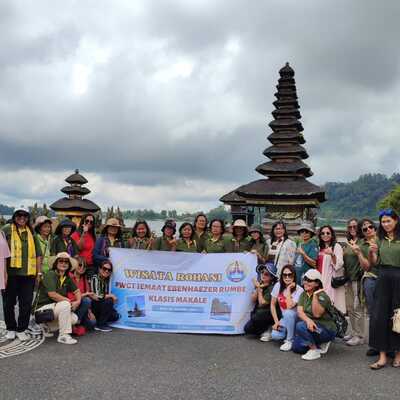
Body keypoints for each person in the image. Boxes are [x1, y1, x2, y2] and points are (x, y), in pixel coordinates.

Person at [2, 208, 42, 341]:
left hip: (28, 275)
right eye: (19, 216)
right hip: (10, 274)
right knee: (9, 302)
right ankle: (11, 328)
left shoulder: (31, 232)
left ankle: (22, 329)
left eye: (25, 216)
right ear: (14, 217)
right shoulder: (7, 229)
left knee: (26, 303)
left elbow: (38, 254)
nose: (22, 218)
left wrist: (39, 272)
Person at [368, 209, 400, 369]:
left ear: (396, 220)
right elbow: (375, 262)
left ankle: (398, 355)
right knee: (380, 315)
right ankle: (382, 356)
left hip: (399, 277)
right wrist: (372, 253)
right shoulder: (379, 239)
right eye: (383, 221)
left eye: (388, 221)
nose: (386, 224)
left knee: (398, 315)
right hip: (383, 277)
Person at [35, 252, 80, 345]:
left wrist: (78, 301)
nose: (63, 263)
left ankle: (46, 326)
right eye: (61, 261)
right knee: (65, 304)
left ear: (69, 265)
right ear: (56, 263)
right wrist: (69, 301)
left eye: (66, 262)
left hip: (53, 309)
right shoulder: (50, 274)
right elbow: (52, 294)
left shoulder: (66, 277)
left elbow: (77, 291)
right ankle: (63, 336)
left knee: (74, 318)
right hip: (41, 309)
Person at [292, 269, 337, 360]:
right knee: (296, 347)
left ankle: (314, 350)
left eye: (309, 280)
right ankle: (317, 343)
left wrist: (315, 295)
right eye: (305, 279)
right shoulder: (304, 294)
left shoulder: (322, 296)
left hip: (326, 329)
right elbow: (299, 311)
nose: (306, 282)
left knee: (300, 325)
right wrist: (308, 320)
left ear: (317, 284)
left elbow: (316, 314)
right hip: (312, 327)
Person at [342, 218, 367, 346]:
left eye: (355, 226)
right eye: (350, 227)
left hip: (357, 278)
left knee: (358, 307)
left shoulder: (363, 242)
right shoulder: (348, 242)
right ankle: (353, 332)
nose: (352, 229)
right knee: (350, 307)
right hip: (348, 279)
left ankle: (360, 335)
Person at [358, 218, 379, 356]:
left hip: (387, 279)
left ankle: (390, 345)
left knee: (389, 312)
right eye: (364, 229)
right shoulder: (362, 245)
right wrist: (359, 253)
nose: (368, 230)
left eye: (370, 226)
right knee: (373, 313)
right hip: (371, 278)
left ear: (375, 227)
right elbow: (367, 266)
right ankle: (374, 345)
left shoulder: (383, 240)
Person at [270, 264, 304, 351]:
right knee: (275, 336)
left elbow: (289, 306)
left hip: (297, 319)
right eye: (285, 275)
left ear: (294, 276)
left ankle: (289, 340)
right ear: (282, 276)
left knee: (288, 312)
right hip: (285, 319)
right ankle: (291, 333)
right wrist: (277, 322)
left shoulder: (299, 290)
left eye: (290, 275)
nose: (287, 277)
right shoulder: (278, 286)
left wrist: (288, 289)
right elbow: (272, 304)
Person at [317, 225, 346, 313]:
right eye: (322, 233)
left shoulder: (336, 246)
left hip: (330, 279)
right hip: (320, 279)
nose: (325, 235)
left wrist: (332, 254)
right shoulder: (319, 247)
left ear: (332, 235)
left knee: (330, 305)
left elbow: (339, 264)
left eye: (328, 233)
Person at [244, 264, 276, 341]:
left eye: (266, 274)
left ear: (271, 277)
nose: (263, 275)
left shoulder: (272, 288)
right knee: (247, 329)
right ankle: (263, 331)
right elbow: (253, 299)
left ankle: (270, 329)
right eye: (262, 272)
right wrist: (259, 287)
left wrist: (259, 289)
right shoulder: (261, 284)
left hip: (268, 314)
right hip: (259, 314)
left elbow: (262, 303)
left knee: (257, 317)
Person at [69, 256, 96, 332]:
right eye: (80, 265)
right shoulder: (69, 278)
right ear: (74, 265)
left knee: (93, 323)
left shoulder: (84, 279)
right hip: (72, 306)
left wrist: (90, 312)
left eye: (85, 266)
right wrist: (85, 294)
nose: (82, 268)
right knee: (86, 300)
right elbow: (70, 297)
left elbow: (88, 296)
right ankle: (75, 322)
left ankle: (77, 322)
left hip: (81, 308)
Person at [90, 260, 119, 332]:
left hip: (100, 306)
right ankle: (101, 325)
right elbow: (97, 296)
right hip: (93, 306)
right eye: (104, 268)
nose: (106, 271)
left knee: (115, 316)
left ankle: (99, 321)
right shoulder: (95, 278)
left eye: (109, 270)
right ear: (99, 269)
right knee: (109, 300)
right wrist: (111, 296)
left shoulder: (105, 280)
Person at [71, 213, 96, 278]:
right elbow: (78, 248)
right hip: (79, 265)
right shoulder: (75, 234)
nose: (89, 223)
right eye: (87, 221)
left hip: (90, 266)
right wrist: (84, 233)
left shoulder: (92, 236)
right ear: (83, 221)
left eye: (91, 222)